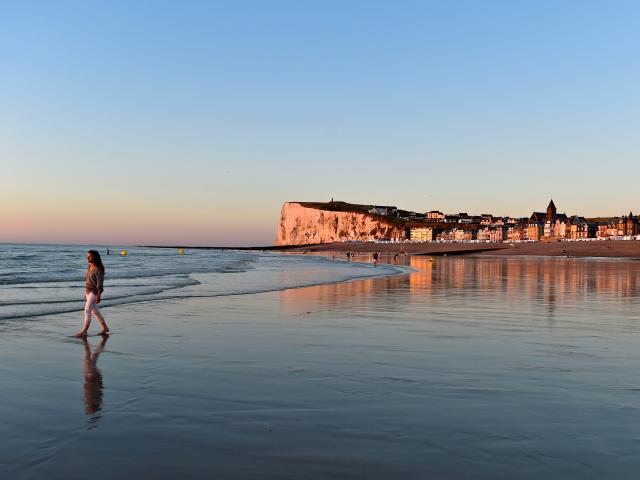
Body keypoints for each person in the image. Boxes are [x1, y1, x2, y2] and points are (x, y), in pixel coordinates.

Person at [76, 250, 109, 337]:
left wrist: (99, 296)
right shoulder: (89, 266)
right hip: (88, 291)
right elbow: (88, 280)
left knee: (87, 310)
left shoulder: (99, 269)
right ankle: (105, 328)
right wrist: (86, 293)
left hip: (94, 292)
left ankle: (85, 331)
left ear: (94, 257)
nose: (87, 258)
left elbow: (100, 284)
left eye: (89, 256)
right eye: (87, 256)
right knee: (95, 311)